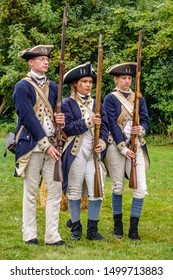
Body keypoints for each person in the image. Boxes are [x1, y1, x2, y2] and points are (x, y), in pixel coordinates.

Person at [13, 45, 66, 246]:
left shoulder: (54, 87)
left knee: (54, 192)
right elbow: (28, 118)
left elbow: (57, 114)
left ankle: (52, 236)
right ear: (31, 62)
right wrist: (46, 145)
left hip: (54, 144)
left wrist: (61, 118)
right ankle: (30, 235)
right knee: (31, 191)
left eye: (47, 59)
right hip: (33, 146)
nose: (46, 62)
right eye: (41, 59)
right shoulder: (22, 87)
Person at [61, 62, 109, 241]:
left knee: (97, 190)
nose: (88, 85)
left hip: (94, 154)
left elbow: (105, 126)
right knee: (73, 191)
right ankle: (76, 228)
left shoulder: (97, 103)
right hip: (76, 152)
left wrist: (102, 143)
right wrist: (89, 122)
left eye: (90, 81)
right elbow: (69, 127)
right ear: (76, 84)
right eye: (84, 81)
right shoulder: (67, 103)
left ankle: (92, 230)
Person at [103, 62, 150, 241]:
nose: (127, 81)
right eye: (123, 78)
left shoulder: (138, 98)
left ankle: (133, 229)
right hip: (116, 147)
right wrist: (123, 147)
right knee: (118, 187)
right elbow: (112, 124)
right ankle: (118, 228)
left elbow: (145, 120)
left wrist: (141, 130)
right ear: (116, 79)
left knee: (140, 188)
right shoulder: (110, 99)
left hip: (136, 145)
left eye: (129, 78)